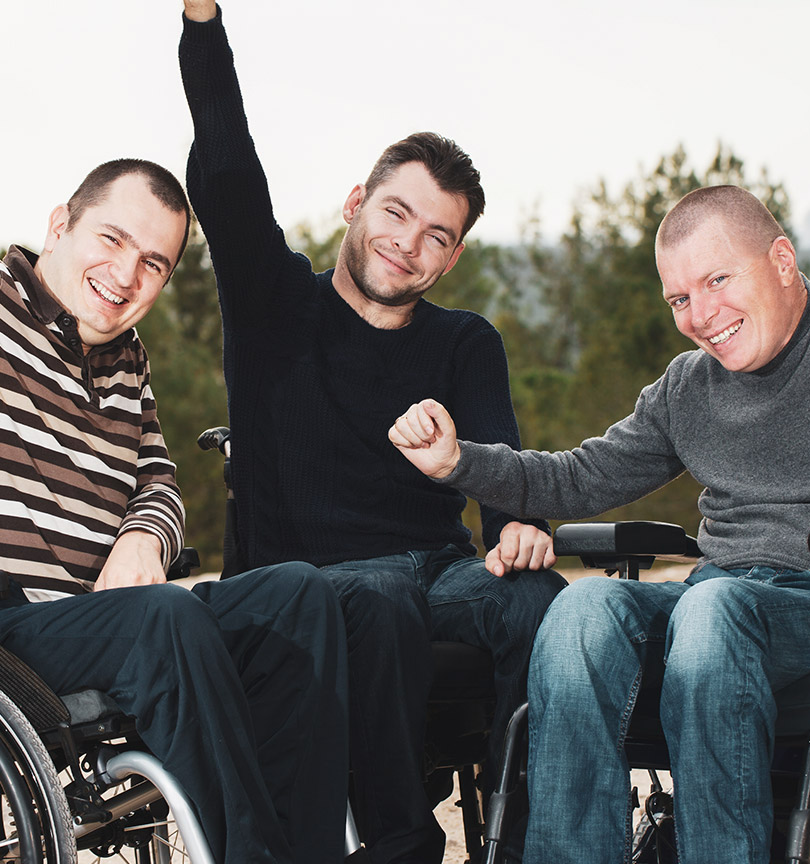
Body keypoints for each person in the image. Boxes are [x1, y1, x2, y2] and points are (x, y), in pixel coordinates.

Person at [0, 16, 347, 864]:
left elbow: (159, 477)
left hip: (76, 626)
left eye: (155, 263)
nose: (127, 273)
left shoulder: (123, 363)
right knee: (166, 623)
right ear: (62, 221)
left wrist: (145, 533)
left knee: (299, 596)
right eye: (113, 238)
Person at [390, 168, 810, 863]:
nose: (700, 314)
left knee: (713, 610)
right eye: (680, 297)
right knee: (583, 609)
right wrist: (458, 463)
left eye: (718, 281)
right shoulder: (689, 387)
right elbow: (579, 475)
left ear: (781, 261)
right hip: (718, 609)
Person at [177, 3, 566, 861]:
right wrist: (203, 24)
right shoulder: (274, 306)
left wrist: (516, 534)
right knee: (380, 600)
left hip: (439, 576)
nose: (407, 244)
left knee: (533, 601)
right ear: (357, 203)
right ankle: (399, 845)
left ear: (452, 256)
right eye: (395, 214)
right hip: (307, 584)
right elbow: (228, 170)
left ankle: (521, 841)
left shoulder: (466, 343)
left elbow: (498, 471)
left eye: (437, 235)